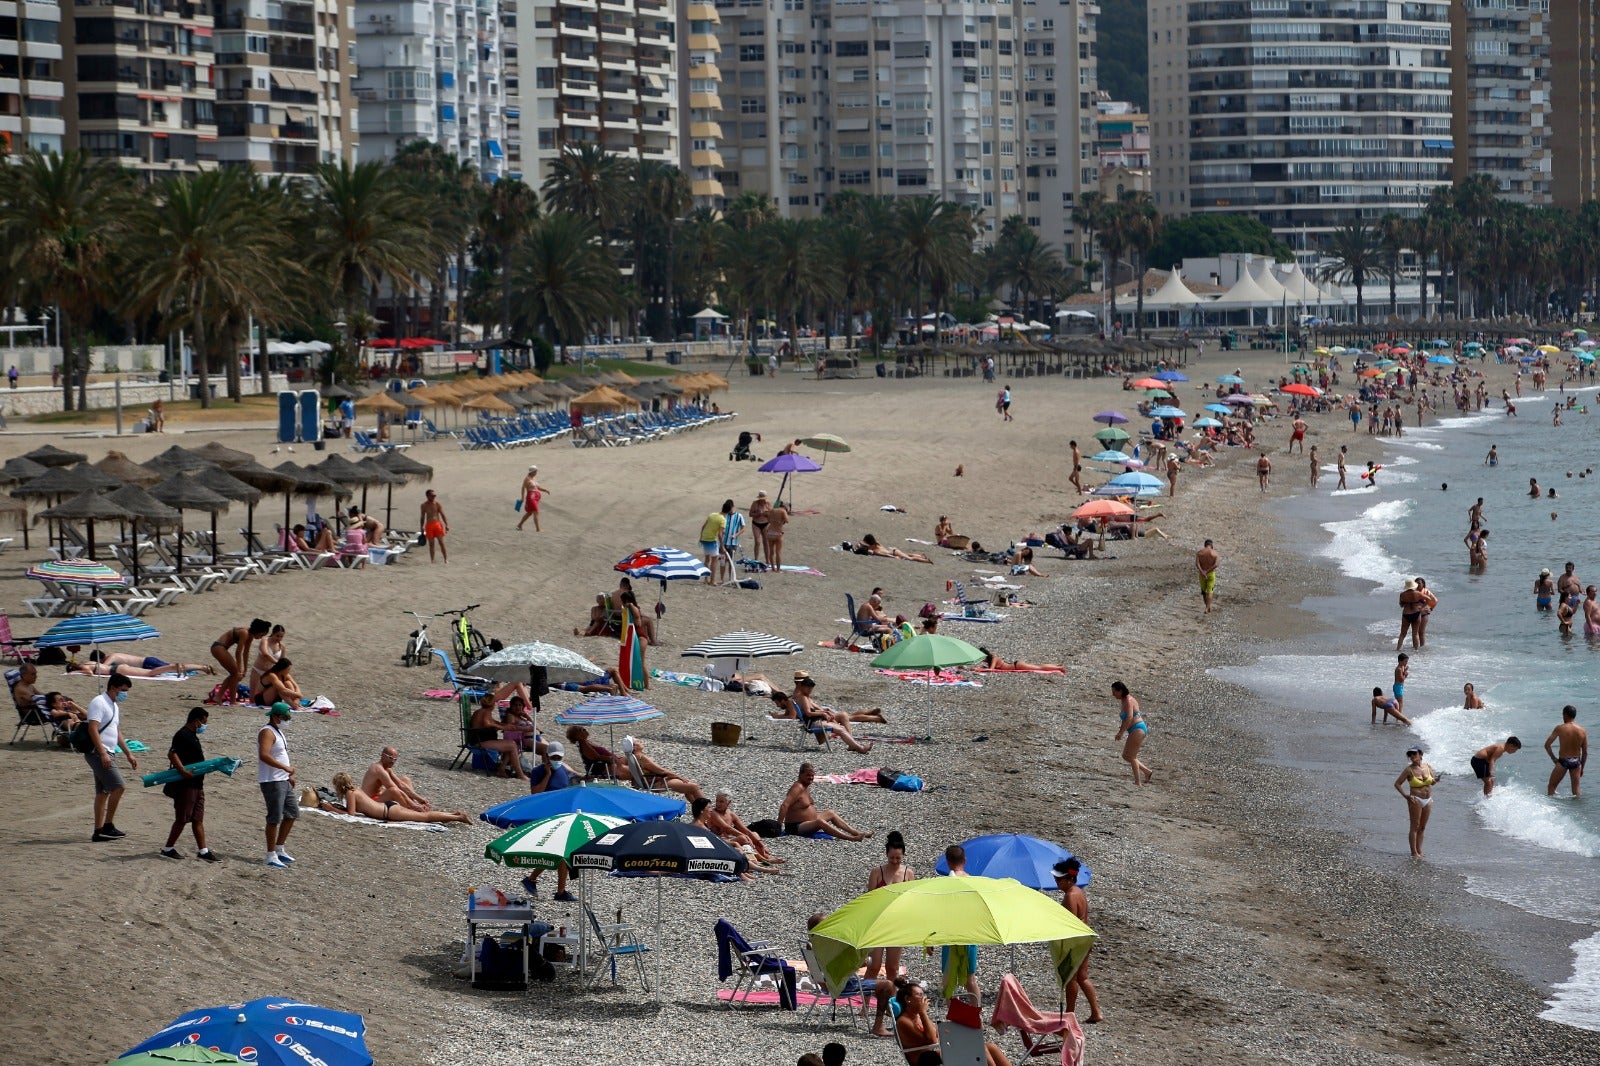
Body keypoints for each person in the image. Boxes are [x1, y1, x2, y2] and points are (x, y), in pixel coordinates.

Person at [859, 831, 916, 1033]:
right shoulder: (877, 872)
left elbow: (911, 902)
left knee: (892, 968)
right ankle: (865, 1006)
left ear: (903, 856)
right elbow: (868, 900)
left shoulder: (908, 873)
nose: (894, 861)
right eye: (892, 857)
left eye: (898, 858)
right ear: (886, 855)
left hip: (896, 925)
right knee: (873, 967)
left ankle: (890, 1005)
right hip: (878, 923)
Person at [894, 981, 1012, 1066]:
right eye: (919, 995)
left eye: (923, 994)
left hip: (936, 1051)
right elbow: (931, 1039)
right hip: (926, 1059)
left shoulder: (917, 1016)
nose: (924, 997)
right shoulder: (903, 1021)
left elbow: (936, 1034)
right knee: (979, 1048)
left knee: (991, 1047)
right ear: (907, 999)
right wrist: (923, 1012)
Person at [161, 707, 220, 862]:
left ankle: (203, 850)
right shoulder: (182, 734)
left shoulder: (192, 735)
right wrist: (183, 772)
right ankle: (168, 848)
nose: (204, 726)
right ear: (196, 721)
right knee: (182, 818)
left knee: (197, 818)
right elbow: (172, 753)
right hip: (186, 785)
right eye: (203, 722)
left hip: (197, 784)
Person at [84, 674, 136, 842]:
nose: (124, 694)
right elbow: (93, 728)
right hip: (99, 752)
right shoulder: (99, 702)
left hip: (107, 752)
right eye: (123, 690)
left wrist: (128, 753)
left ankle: (98, 832)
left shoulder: (113, 705)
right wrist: (103, 753)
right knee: (119, 787)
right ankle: (108, 826)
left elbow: (116, 731)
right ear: (113, 687)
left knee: (103, 792)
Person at [1054, 858, 1102, 1023]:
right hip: (1086, 938)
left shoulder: (1070, 896)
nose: (1056, 882)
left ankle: (1069, 1014)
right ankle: (1096, 1012)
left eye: (1059, 879)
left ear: (1069, 879)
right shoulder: (1079, 891)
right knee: (1083, 977)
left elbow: (1071, 923)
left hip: (1076, 942)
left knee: (1071, 979)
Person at [321, 772, 469, 824]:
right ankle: (454, 815)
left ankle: (458, 817)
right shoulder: (355, 790)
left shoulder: (350, 793)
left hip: (389, 812)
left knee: (425, 817)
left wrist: (331, 808)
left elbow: (351, 815)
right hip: (388, 807)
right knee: (423, 816)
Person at [778, 762, 872, 841]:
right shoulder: (797, 787)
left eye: (812, 776)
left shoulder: (806, 786)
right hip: (796, 827)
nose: (811, 778)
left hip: (808, 821)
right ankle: (850, 838)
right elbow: (785, 805)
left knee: (830, 813)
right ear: (800, 774)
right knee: (820, 822)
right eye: (808, 775)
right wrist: (779, 825)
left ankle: (857, 833)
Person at [939, 845, 983, 1005]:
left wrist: (932, 937)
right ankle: (976, 1012)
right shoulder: (972, 881)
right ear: (964, 860)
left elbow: (942, 911)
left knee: (948, 979)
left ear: (948, 862)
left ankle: (953, 1016)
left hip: (951, 935)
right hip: (969, 935)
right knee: (970, 978)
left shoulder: (948, 882)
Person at [257, 703, 299, 868]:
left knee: (292, 813)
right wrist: (284, 768)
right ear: (275, 716)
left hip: (283, 780)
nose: (287, 721)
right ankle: (270, 855)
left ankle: (279, 848)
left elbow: (279, 755)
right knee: (274, 818)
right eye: (285, 718)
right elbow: (264, 755)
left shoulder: (278, 731)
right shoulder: (267, 732)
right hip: (272, 781)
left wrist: (288, 776)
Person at [703, 789, 785, 866]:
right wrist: (745, 836)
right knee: (743, 838)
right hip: (717, 840)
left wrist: (760, 843)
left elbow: (745, 830)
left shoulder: (731, 814)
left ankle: (767, 856)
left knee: (754, 834)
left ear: (728, 803)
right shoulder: (713, 813)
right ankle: (763, 859)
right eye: (717, 801)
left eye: (721, 801)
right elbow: (727, 828)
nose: (718, 804)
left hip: (728, 839)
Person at [210, 618, 271, 706]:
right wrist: (239, 668)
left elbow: (246, 653)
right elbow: (238, 652)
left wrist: (245, 669)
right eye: (261, 635)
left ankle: (219, 697)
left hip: (221, 648)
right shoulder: (244, 633)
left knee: (234, 675)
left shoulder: (250, 636)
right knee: (235, 674)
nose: (261, 637)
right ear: (257, 631)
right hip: (218, 647)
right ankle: (231, 700)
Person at [621, 736, 702, 799]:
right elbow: (662, 771)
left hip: (647, 782)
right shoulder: (641, 758)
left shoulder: (630, 757)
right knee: (694, 787)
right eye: (638, 741)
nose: (641, 742)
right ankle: (707, 812)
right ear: (634, 747)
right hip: (656, 783)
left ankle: (700, 811)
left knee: (688, 789)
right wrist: (679, 777)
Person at [468, 698, 530, 780]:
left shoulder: (482, 711)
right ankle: (520, 775)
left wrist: (503, 726)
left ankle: (502, 770)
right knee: (512, 745)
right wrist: (501, 727)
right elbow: (488, 724)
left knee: (510, 744)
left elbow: (493, 722)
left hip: (481, 740)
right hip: (480, 742)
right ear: (493, 705)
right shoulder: (485, 711)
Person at [1394, 746, 1437, 858]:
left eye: (1414, 754)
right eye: (1410, 755)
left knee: (1422, 827)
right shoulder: (1409, 770)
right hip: (1415, 799)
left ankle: (1419, 850)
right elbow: (1397, 784)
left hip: (1428, 799)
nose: (1412, 757)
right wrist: (1406, 796)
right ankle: (1414, 852)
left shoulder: (1428, 767)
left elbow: (1432, 782)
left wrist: (1436, 780)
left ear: (1420, 755)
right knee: (1415, 826)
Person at [360, 747, 432, 812]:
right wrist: (414, 804)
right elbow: (395, 789)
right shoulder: (378, 769)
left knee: (405, 780)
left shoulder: (387, 769)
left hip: (378, 796)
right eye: (390, 758)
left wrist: (420, 799)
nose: (393, 762)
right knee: (393, 791)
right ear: (382, 755)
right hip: (369, 801)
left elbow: (401, 785)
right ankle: (412, 808)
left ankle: (415, 806)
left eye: (395, 759)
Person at [1111, 680, 1153, 786]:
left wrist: (1121, 733)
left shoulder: (1129, 700)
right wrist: (1121, 731)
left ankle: (1138, 782)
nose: (1113, 694)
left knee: (1131, 756)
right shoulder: (1124, 700)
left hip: (1138, 728)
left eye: (1114, 692)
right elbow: (1126, 720)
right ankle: (1147, 772)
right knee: (1126, 756)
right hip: (1135, 729)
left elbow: (1129, 717)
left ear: (1120, 691)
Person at [1545, 705, 1587, 797]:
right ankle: (1577, 810)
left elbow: (1547, 745)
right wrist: (1582, 768)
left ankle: (1551, 808)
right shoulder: (1582, 731)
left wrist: (1554, 759)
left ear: (1565, 714)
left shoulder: (1560, 728)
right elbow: (1585, 752)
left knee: (1551, 787)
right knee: (1576, 791)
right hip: (1576, 762)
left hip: (1563, 761)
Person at [249, 624, 287, 696]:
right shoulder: (265, 640)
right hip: (258, 670)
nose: (279, 638)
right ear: (273, 633)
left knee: (263, 697)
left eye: (281, 636)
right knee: (253, 698)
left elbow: (282, 661)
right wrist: (277, 662)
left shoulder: (282, 646)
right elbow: (265, 654)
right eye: (277, 636)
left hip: (269, 673)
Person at [855, 534, 931, 563]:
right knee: (908, 555)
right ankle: (921, 556)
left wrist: (894, 557)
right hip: (893, 550)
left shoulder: (873, 550)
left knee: (909, 558)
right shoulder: (876, 543)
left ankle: (926, 561)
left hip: (893, 553)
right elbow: (862, 544)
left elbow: (885, 555)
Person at [420, 489, 449, 563]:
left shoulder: (437, 504)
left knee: (441, 542)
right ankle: (432, 560)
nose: (434, 497)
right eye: (432, 495)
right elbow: (422, 517)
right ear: (427, 496)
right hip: (429, 525)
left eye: (435, 495)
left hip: (437, 524)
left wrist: (446, 525)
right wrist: (421, 527)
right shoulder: (424, 505)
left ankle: (446, 559)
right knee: (431, 544)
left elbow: (443, 515)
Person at [517, 465, 549, 532]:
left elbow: (538, 488)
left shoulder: (534, 479)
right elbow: (523, 488)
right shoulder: (527, 479)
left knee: (529, 513)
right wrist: (522, 498)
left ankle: (519, 525)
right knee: (536, 512)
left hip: (535, 497)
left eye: (536, 471)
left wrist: (545, 490)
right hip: (531, 497)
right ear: (531, 472)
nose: (536, 473)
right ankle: (538, 529)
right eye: (535, 471)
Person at [978, 647, 1064, 672]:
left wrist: (981, 669)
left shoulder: (994, 658)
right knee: (1038, 666)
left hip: (1017, 666)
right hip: (1016, 665)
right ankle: (1056, 666)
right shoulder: (992, 659)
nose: (982, 660)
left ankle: (1058, 668)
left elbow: (992, 669)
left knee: (1039, 668)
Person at [1396, 579, 1422, 650]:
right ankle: (1416, 650)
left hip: (1406, 614)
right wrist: (1422, 607)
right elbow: (1428, 599)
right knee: (1415, 634)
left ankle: (1398, 649)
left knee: (1402, 634)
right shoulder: (1418, 593)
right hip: (1416, 613)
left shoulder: (1402, 594)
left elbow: (1401, 605)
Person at [765, 499, 790, 571]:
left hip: (770, 532)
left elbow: (769, 520)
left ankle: (772, 568)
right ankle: (778, 570)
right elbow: (787, 520)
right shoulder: (783, 511)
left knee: (771, 552)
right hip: (778, 533)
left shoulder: (772, 510)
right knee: (778, 552)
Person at [1196, 539, 1219, 614]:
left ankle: (1207, 605)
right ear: (1211, 545)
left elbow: (1197, 564)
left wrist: (1203, 572)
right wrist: (1207, 571)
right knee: (1210, 590)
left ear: (1205, 545)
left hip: (1202, 574)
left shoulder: (1200, 553)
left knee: (1203, 591)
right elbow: (1216, 564)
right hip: (1211, 574)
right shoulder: (1215, 553)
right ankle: (1207, 607)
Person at [749, 491, 773, 564]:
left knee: (766, 542)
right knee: (757, 541)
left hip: (765, 524)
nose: (763, 500)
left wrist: (767, 514)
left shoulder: (768, 504)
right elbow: (750, 514)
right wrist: (757, 514)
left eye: (764, 499)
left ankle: (767, 561)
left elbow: (772, 514)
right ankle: (756, 559)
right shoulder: (755, 504)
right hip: (756, 524)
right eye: (761, 499)